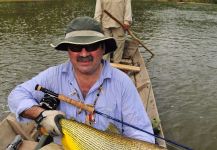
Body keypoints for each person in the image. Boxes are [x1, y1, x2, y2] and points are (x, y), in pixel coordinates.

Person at [8, 16, 154, 148]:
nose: (84, 54)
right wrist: (41, 115)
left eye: (91, 46)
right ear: (68, 50)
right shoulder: (53, 75)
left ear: (103, 48)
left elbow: (141, 135)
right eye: (76, 47)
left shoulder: (123, 83)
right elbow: (16, 95)